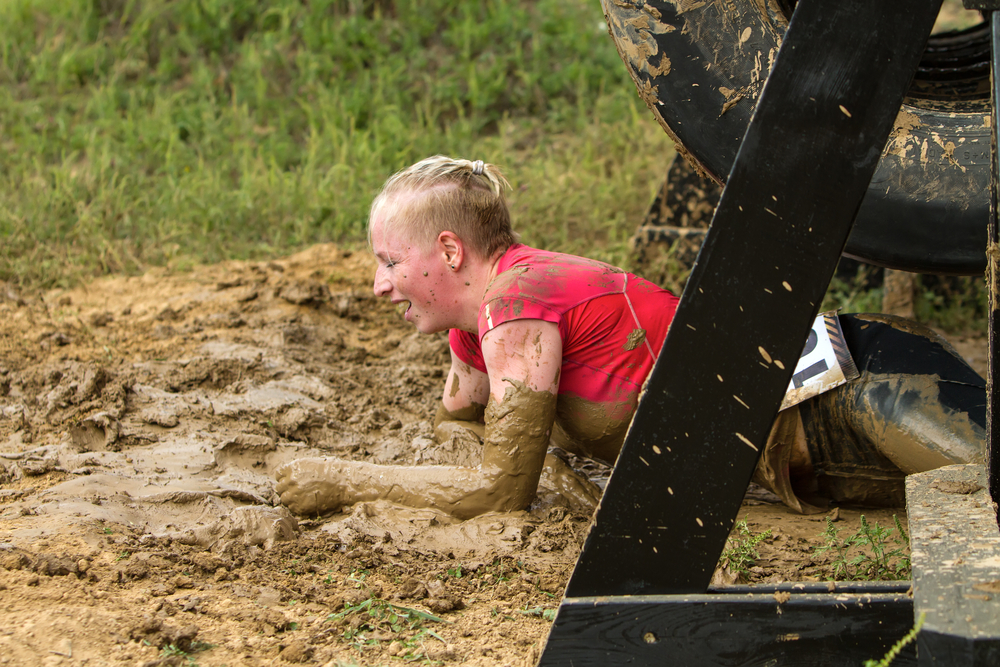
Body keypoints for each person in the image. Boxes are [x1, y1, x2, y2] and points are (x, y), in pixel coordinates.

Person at [275, 156, 986, 519]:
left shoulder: (518, 304)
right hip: (817, 459)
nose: (377, 283)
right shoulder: (474, 333)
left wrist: (340, 479)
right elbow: (465, 430)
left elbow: (498, 490)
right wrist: (554, 473)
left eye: (390, 261)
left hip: (862, 390)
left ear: (452, 252)